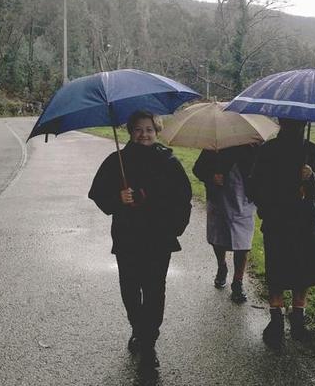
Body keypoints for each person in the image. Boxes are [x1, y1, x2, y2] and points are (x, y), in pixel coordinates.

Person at [88, 110, 192, 370]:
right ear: (130, 132)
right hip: (128, 237)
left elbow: (183, 199)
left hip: (159, 238)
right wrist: (117, 199)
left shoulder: (169, 162)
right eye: (138, 129)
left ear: (157, 131)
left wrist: (175, 229)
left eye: (149, 129)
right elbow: (97, 194)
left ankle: (149, 342)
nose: (144, 134)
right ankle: (138, 327)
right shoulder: (117, 161)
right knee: (131, 288)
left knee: (155, 289)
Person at [247, 118, 315, 348]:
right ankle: (275, 321)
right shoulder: (268, 150)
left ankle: (298, 320)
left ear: (305, 124)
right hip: (277, 222)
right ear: (282, 122)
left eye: (299, 124)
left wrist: (310, 177)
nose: (294, 128)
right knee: (277, 271)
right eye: (290, 123)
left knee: (303, 273)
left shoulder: (312, 151)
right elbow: (253, 185)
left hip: (306, 224)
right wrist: (267, 207)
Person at [192, 144, 258, 303]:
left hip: (245, 202)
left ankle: (238, 282)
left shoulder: (255, 146)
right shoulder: (215, 144)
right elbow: (197, 169)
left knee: (243, 243)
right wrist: (211, 176)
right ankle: (222, 266)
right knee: (218, 239)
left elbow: (264, 172)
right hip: (218, 199)